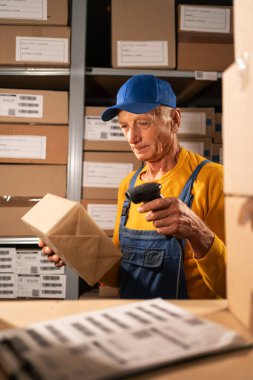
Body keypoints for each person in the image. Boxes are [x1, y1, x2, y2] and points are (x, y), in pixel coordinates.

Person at [39, 74, 225, 300]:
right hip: (135, 322)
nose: (132, 138)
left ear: (175, 120)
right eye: (124, 126)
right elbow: (121, 275)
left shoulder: (212, 179)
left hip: (192, 325)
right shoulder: (128, 185)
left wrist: (199, 234)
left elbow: (235, 285)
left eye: (143, 123)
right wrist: (75, 253)